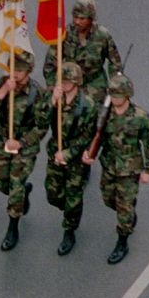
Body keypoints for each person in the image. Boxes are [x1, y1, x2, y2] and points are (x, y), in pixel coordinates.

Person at [88, 73, 149, 265]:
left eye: (119, 95)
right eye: (113, 94)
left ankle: (122, 241)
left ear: (127, 95)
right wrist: (90, 153)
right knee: (108, 199)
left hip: (130, 170)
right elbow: (97, 137)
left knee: (124, 209)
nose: (116, 98)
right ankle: (126, 213)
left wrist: (148, 169)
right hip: (109, 166)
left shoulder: (140, 117)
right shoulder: (105, 115)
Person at [37, 62, 101, 256]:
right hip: (55, 152)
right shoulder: (54, 98)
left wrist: (69, 153)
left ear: (77, 82)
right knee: (53, 194)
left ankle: (69, 230)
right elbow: (40, 122)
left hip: (74, 157)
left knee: (73, 197)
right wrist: (51, 103)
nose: (64, 84)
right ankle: (68, 211)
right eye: (61, 81)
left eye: (68, 81)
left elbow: (87, 136)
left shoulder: (87, 105)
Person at [0, 49, 45, 251]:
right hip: (3, 143)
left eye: (20, 70)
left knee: (16, 185)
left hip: (24, 148)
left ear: (29, 71)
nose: (16, 74)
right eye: (13, 69)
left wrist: (21, 142)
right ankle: (21, 196)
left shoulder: (37, 94)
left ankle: (13, 226)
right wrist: (3, 92)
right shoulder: (1, 84)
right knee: (2, 182)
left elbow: (41, 126)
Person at [42, 0, 123, 99]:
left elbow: (115, 63)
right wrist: (52, 85)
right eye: (75, 17)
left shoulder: (102, 36)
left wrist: (115, 85)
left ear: (91, 19)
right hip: (69, 85)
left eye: (82, 18)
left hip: (95, 86)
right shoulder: (65, 34)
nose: (77, 21)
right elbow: (50, 61)